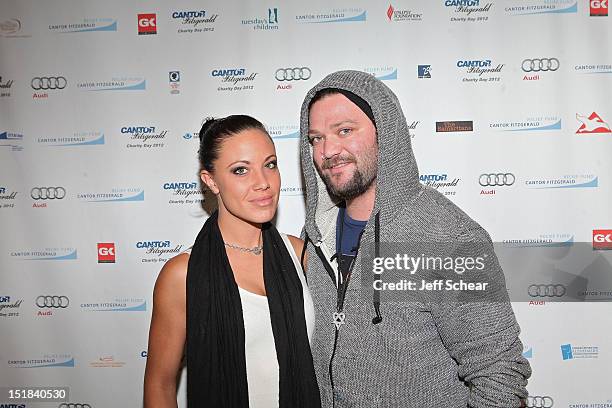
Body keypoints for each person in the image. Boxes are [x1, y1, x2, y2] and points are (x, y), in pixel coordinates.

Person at [298, 71, 531, 407]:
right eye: (316, 138)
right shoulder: (315, 237)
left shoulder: (447, 236)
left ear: (385, 132)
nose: (328, 150)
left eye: (344, 130)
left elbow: (499, 374)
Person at [143, 115, 321, 408]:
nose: (263, 183)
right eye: (241, 170)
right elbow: (159, 385)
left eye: (270, 164)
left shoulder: (300, 254)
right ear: (211, 181)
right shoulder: (181, 275)